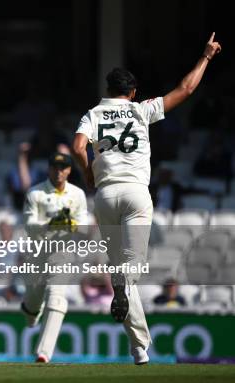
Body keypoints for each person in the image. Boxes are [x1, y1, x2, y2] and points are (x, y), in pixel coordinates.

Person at [72, 33, 222, 365]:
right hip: (137, 193)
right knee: (131, 269)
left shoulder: (94, 114)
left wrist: (87, 174)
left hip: (106, 195)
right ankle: (126, 295)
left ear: (108, 91)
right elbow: (186, 89)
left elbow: (78, 147)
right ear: (133, 92)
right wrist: (206, 57)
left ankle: (139, 347)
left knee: (120, 274)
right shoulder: (141, 111)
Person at [21, 153, 87, 363]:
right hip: (38, 251)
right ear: (49, 169)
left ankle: (44, 352)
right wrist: (50, 224)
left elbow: (84, 225)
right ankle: (30, 310)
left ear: (69, 170)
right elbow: (29, 224)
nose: (59, 171)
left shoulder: (77, 194)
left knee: (56, 295)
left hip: (62, 252)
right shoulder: (35, 193)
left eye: (63, 167)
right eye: (55, 167)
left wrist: (71, 224)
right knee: (34, 298)